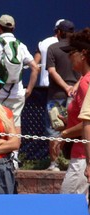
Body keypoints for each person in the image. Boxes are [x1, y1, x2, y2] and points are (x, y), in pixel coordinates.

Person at [0, 14, 40, 167]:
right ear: (13, 28)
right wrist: (29, 89)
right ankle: (14, 159)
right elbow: (34, 67)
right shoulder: (21, 45)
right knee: (15, 124)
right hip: (18, 92)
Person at [57, 28, 90, 197]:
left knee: (66, 202)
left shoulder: (85, 83)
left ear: (83, 54)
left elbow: (88, 121)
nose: (69, 58)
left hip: (83, 155)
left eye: (72, 53)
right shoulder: (83, 81)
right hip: (81, 153)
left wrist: (65, 133)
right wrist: (67, 122)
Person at [45, 19, 78, 171]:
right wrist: (73, 87)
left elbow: (52, 71)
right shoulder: (79, 49)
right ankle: (74, 162)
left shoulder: (52, 48)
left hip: (56, 95)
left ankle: (54, 164)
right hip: (78, 94)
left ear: (58, 32)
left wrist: (65, 87)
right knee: (77, 128)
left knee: (54, 128)